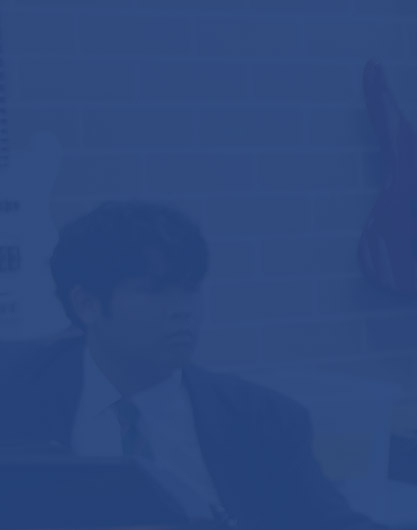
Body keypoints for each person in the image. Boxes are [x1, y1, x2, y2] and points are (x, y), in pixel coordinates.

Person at [0, 201, 383, 530]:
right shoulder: (16, 393)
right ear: (87, 305)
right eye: (154, 291)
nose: (182, 310)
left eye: (189, 288)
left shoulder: (262, 421)